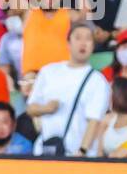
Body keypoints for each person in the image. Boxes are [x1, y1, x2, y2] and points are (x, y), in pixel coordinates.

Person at [27, 22, 112, 156]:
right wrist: (45, 109)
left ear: (93, 45)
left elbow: (95, 121)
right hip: (46, 151)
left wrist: (82, 151)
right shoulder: (48, 71)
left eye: (88, 39)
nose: (83, 43)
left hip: (77, 155)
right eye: (78, 38)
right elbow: (31, 108)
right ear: (68, 43)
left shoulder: (97, 80)